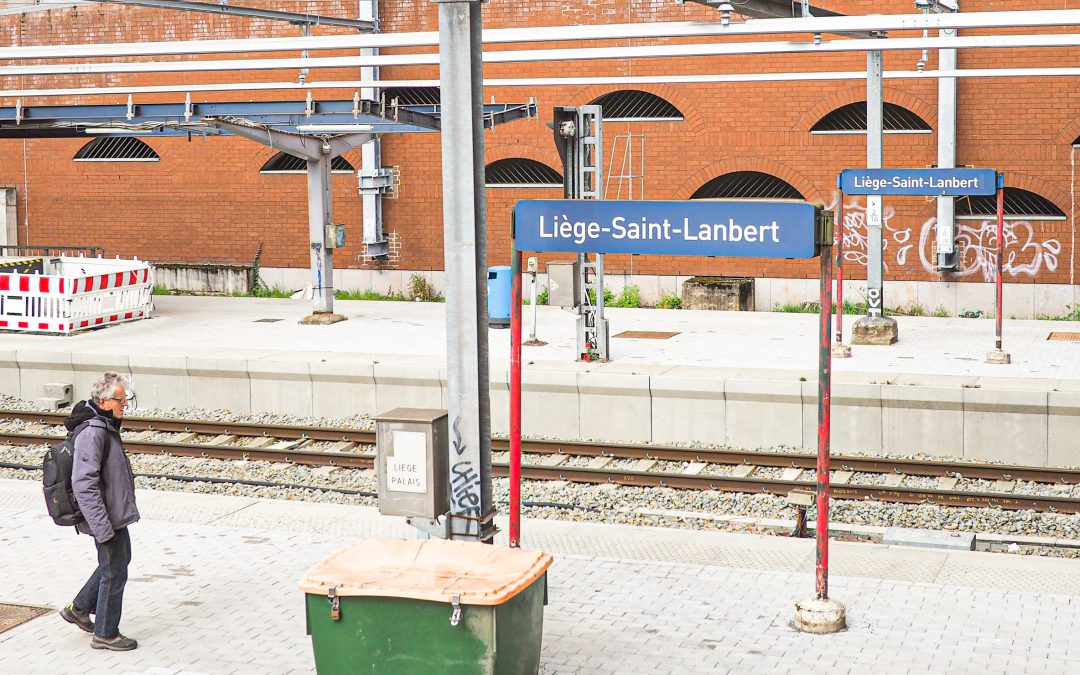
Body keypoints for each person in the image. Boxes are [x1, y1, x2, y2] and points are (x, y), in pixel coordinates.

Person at [58, 372, 140, 651]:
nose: (125, 404)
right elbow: (83, 483)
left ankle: (79, 608)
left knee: (119, 560)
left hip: (112, 513)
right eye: (121, 399)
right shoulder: (94, 432)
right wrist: (101, 526)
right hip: (103, 517)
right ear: (104, 401)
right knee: (114, 572)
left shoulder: (105, 426)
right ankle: (105, 633)